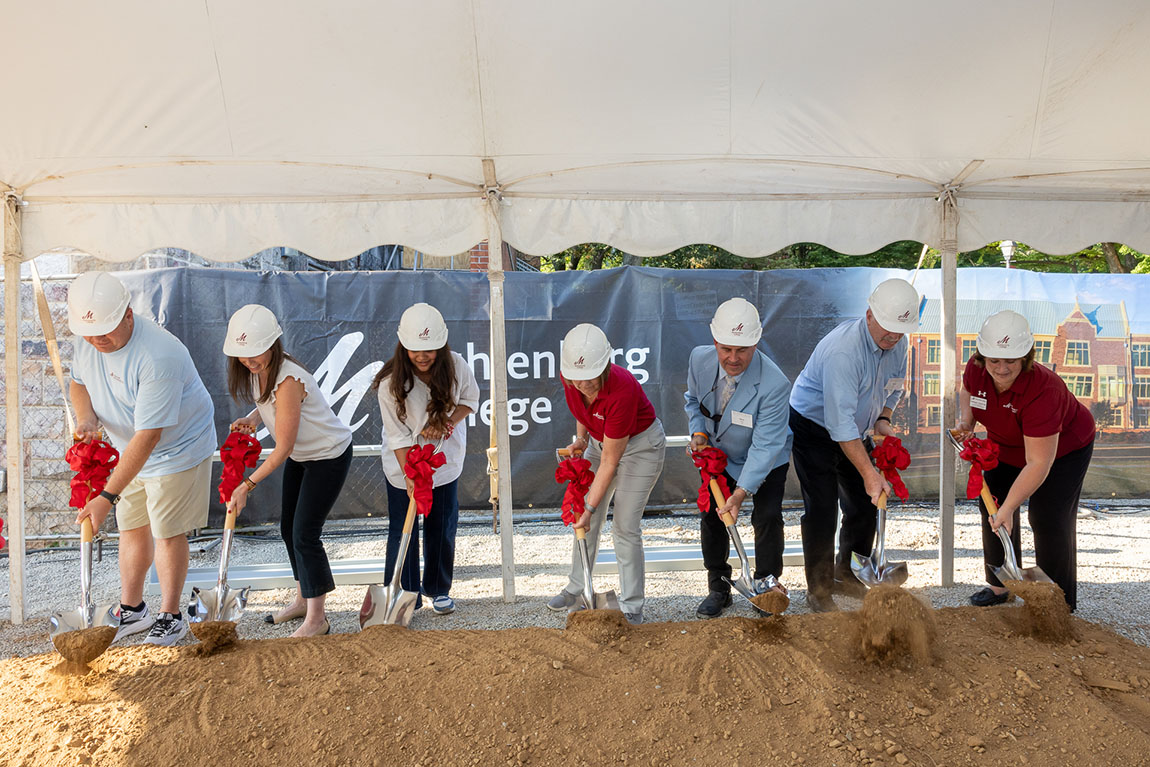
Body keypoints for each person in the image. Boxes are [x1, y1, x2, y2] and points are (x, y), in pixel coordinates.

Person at [68, 272, 217, 646]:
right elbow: (78, 382)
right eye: (91, 332)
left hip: (177, 447)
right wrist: (86, 418)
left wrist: (105, 496)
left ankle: (171, 615)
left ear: (129, 316)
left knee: (166, 529)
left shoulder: (159, 354)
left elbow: (149, 436)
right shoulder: (88, 341)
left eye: (107, 329)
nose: (98, 339)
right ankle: (133, 610)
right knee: (131, 525)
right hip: (130, 447)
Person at [788, 278, 919, 612]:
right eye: (887, 329)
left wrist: (884, 418)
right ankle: (818, 589)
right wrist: (869, 471)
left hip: (856, 429)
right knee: (822, 508)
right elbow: (839, 424)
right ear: (870, 315)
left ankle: (846, 571)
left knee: (864, 504)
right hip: (814, 427)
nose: (892, 337)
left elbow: (893, 387)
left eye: (899, 331)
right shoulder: (844, 351)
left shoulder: (898, 343)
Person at [223, 304, 353, 637]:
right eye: (243, 355)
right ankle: (301, 600)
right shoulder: (259, 370)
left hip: (328, 456)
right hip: (303, 456)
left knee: (304, 534)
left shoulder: (289, 379)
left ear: (273, 344)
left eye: (256, 353)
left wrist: (246, 485)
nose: (250, 361)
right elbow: (268, 403)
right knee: (287, 529)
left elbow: (283, 448)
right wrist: (253, 420)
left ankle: (317, 618)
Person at [954, 310, 1094, 611]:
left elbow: (1037, 463)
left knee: (1048, 516)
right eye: (994, 360)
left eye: (1011, 361)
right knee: (990, 505)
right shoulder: (976, 369)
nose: (1001, 369)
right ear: (982, 356)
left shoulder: (1045, 389)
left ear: (1026, 357)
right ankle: (1000, 585)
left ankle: (1057, 600)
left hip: (1062, 450)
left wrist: (1010, 507)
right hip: (1006, 444)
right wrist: (966, 423)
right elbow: (968, 391)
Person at [548, 323, 666, 625]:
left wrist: (589, 507)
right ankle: (577, 587)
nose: (584, 385)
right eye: (578, 379)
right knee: (585, 523)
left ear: (605, 366)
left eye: (591, 379)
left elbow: (610, 463)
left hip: (640, 448)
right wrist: (582, 439)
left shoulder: (621, 389)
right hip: (600, 443)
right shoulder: (570, 376)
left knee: (624, 525)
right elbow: (583, 412)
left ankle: (632, 605)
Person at [684, 298, 793, 619]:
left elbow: (765, 445)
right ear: (715, 341)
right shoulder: (698, 360)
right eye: (726, 349)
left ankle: (767, 584)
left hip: (765, 457)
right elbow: (692, 401)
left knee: (768, 516)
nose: (733, 359)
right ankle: (719, 586)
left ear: (756, 343)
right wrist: (698, 433)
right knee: (712, 515)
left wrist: (741, 492)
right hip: (718, 454)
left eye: (742, 350)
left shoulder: (774, 384)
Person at [373, 303, 479, 615]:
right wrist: (410, 477)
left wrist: (446, 420)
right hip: (402, 464)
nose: (422, 356)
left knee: (441, 525)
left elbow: (470, 401)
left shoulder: (457, 365)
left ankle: (438, 588)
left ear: (441, 346)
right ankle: (406, 594)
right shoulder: (389, 383)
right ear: (403, 347)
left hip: (443, 463)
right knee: (402, 528)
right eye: (415, 349)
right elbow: (398, 436)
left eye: (430, 350)